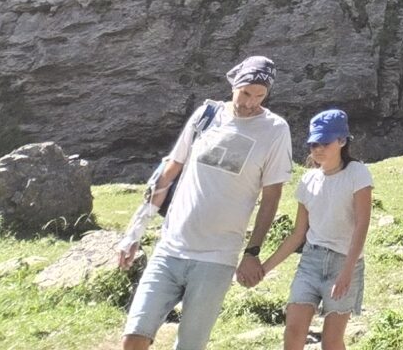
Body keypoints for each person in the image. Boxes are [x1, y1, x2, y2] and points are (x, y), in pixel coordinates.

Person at [118, 55, 295, 350]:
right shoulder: (207, 114)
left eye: (260, 96)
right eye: (245, 93)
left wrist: (252, 252)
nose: (250, 102)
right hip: (170, 249)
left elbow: (271, 198)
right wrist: (134, 233)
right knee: (134, 338)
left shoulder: (275, 130)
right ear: (234, 86)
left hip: (217, 258)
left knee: (189, 345)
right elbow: (169, 170)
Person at [255, 108, 371, 350]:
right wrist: (264, 269)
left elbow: (362, 224)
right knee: (294, 331)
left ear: (341, 141)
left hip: (344, 261)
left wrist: (348, 272)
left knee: (331, 341)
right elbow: (298, 234)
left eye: (324, 142)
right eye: (313, 144)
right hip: (311, 262)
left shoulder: (357, 173)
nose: (318, 149)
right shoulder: (307, 180)